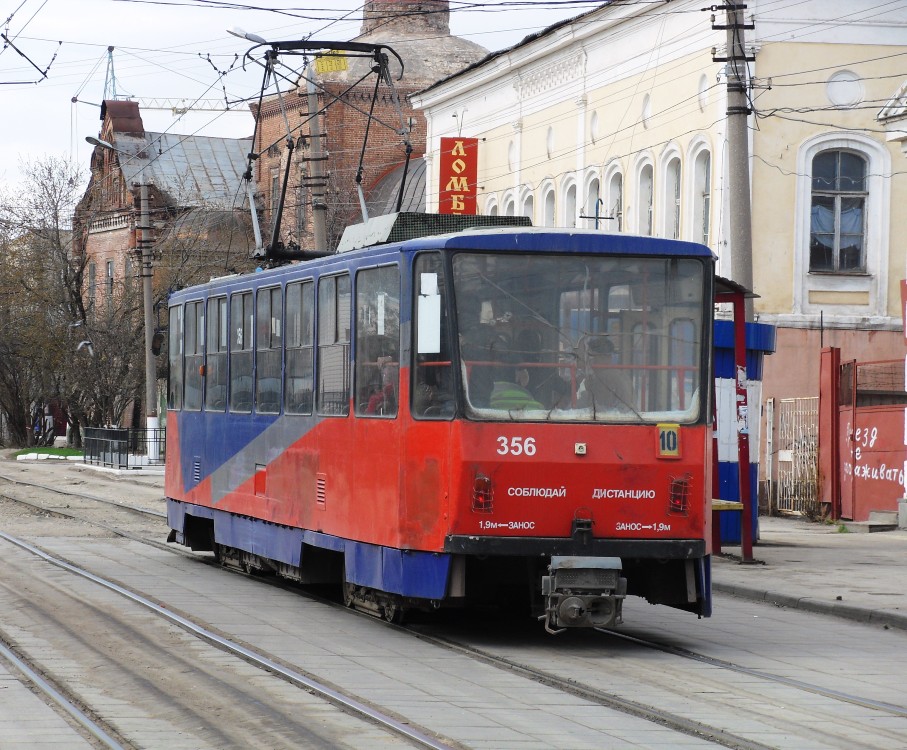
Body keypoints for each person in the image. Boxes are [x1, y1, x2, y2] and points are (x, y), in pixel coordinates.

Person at [577, 336, 635, 412]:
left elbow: (598, 406)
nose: (589, 361)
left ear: (603, 357)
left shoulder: (605, 377)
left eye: (591, 357)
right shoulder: (620, 374)